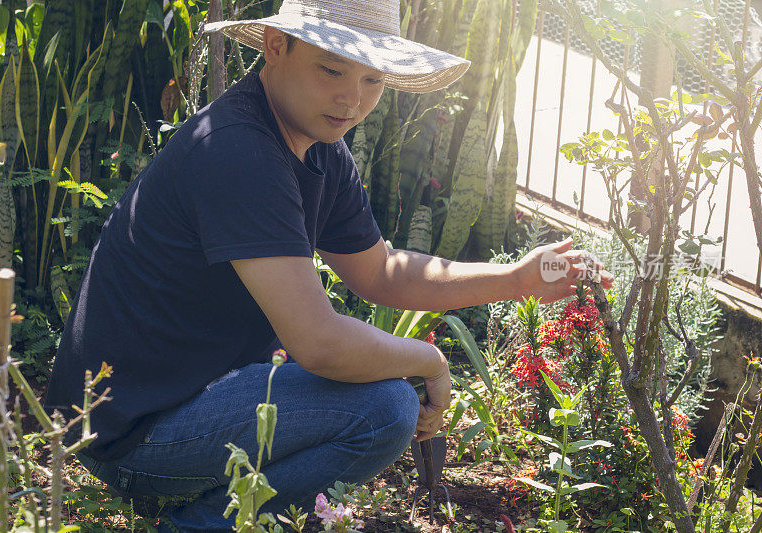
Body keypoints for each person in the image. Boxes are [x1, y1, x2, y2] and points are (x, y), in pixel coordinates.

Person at [43, 1, 614, 531]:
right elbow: (318, 342)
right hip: (125, 431)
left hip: (181, 401)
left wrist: (516, 278)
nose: (353, 100)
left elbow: (381, 271)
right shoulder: (240, 152)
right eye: (332, 70)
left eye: (372, 79)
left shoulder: (315, 143)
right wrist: (430, 359)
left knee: (375, 395)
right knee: (385, 407)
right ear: (274, 46)